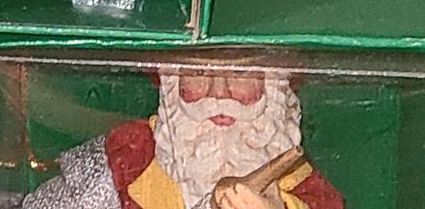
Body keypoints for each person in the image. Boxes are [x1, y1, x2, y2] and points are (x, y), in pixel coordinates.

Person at [21, 68, 344, 209]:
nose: (219, 93)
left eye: (242, 74)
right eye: (199, 74)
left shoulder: (307, 194)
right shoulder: (127, 160)